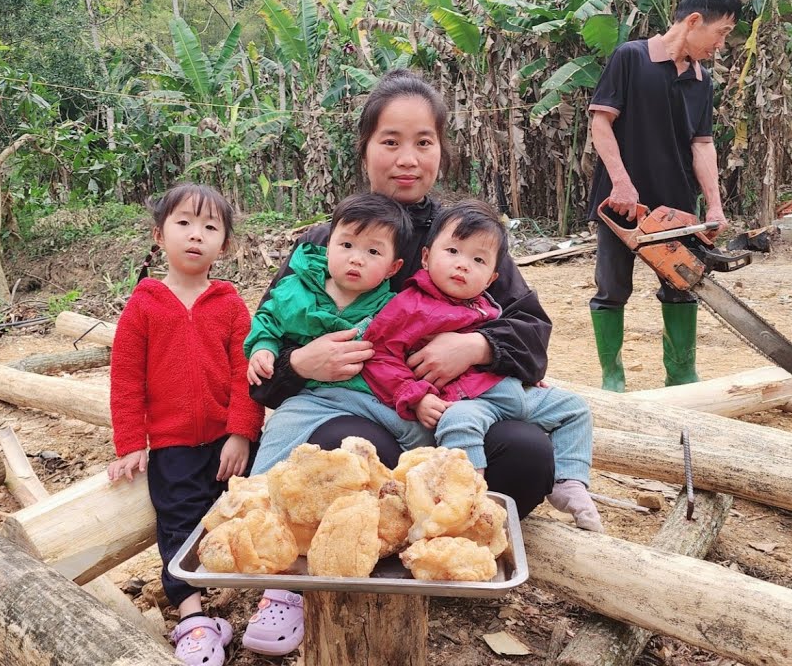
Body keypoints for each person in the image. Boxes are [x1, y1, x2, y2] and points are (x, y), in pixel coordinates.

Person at [251, 68, 560, 513]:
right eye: (391, 142)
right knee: (347, 445)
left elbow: (531, 334)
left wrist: (476, 346)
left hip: (458, 417)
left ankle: (453, 541)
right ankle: (370, 545)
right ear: (365, 150)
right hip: (359, 415)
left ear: (441, 151)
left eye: (423, 142)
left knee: (527, 452)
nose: (408, 159)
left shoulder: (466, 240)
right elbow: (261, 361)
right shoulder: (323, 247)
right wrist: (298, 363)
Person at [361, 199, 602, 531]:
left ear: (491, 279)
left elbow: (524, 334)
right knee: (458, 424)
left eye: (478, 260)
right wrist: (416, 396)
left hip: (509, 391)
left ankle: (569, 482)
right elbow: (380, 355)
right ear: (426, 257)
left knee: (574, 408)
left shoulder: (485, 305)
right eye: (453, 252)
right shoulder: (408, 306)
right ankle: (467, 495)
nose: (463, 265)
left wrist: (517, 369)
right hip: (467, 402)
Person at [105, 182, 263, 666]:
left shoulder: (229, 304)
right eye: (184, 223)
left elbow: (244, 374)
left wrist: (241, 432)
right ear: (159, 235)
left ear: (225, 245)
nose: (196, 235)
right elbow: (126, 378)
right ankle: (194, 619)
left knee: (253, 510)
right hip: (172, 445)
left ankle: (272, 598)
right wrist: (131, 444)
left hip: (228, 442)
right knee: (176, 523)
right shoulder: (144, 304)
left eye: (210, 227)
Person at [587, 0, 741, 392]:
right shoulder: (631, 58)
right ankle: (612, 378)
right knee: (612, 289)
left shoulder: (701, 80)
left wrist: (714, 206)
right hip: (621, 205)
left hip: (676, 205)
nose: (721, 44)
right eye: (721, 33)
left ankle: (681, 374)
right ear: (694, 21)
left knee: (682, 287)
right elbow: (601, 123)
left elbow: (702, 145)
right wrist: (621, 182)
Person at [245, 193, 435, 474]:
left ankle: (428, 487)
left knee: (425, 438)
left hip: (376, 399)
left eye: (373, 252)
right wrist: (263, 346)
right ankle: (256, 493)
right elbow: (268, 319)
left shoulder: (396, 308)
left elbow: (415, 347)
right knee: (280, 431)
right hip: (313, 397)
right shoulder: (297, 291)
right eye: (346, 245)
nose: (356, 259)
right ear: (328, 248)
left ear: (392, 268)